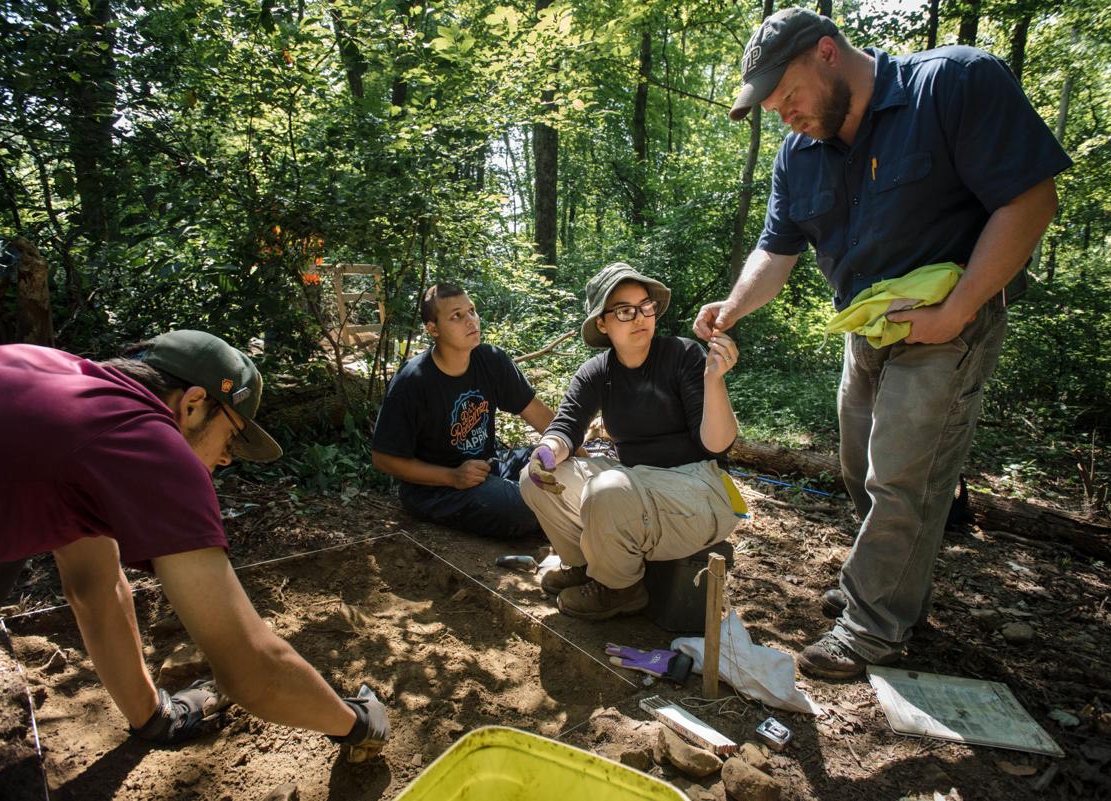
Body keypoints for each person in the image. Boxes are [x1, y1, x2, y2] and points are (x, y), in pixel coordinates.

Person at [697, 8, 1072, 678]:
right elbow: (775, 251)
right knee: (857, 467)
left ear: (827, 54)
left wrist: (956, 311)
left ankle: (873, 626)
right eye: (772, 107)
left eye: (788, 96)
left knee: (902, 475)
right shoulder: (799, 154)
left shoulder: (953, 83)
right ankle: (890, 585)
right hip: (866, 333)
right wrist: (733, 305)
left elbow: (1031, 202)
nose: (784, 115)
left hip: (945, 325)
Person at [0, 331, 389, 770]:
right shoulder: (149, 443)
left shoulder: (53, 378)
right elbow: (252, 672)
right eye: (231, 438)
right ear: (193, 404)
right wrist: (354, 722)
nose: (227, 459)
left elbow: (94, 586)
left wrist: (156, 719)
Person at [520, 263, 745, 620]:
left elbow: (717, 446)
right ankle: (584, 567)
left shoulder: (682, 355)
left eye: (645, 306)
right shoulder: (598, 371)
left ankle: (619, 589)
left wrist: (715, 380)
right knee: (534, 479)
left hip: (700, 488)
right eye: (625, 310)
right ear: (603, 324)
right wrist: (547, 451)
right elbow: (566, 427)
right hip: (635, 485)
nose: (640, 317)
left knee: (609, 488)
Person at [372, 282, 558, 540]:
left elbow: (539, 415)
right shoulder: (412, 381)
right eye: (456, 316)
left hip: (487, 467)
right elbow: (383, 458)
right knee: (526, 508)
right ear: (433, 328)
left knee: (555, 461)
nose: (471, 320)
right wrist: (452, 476)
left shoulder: (491, 360)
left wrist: (577, 454)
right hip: (435, 488)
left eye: (471, 310)